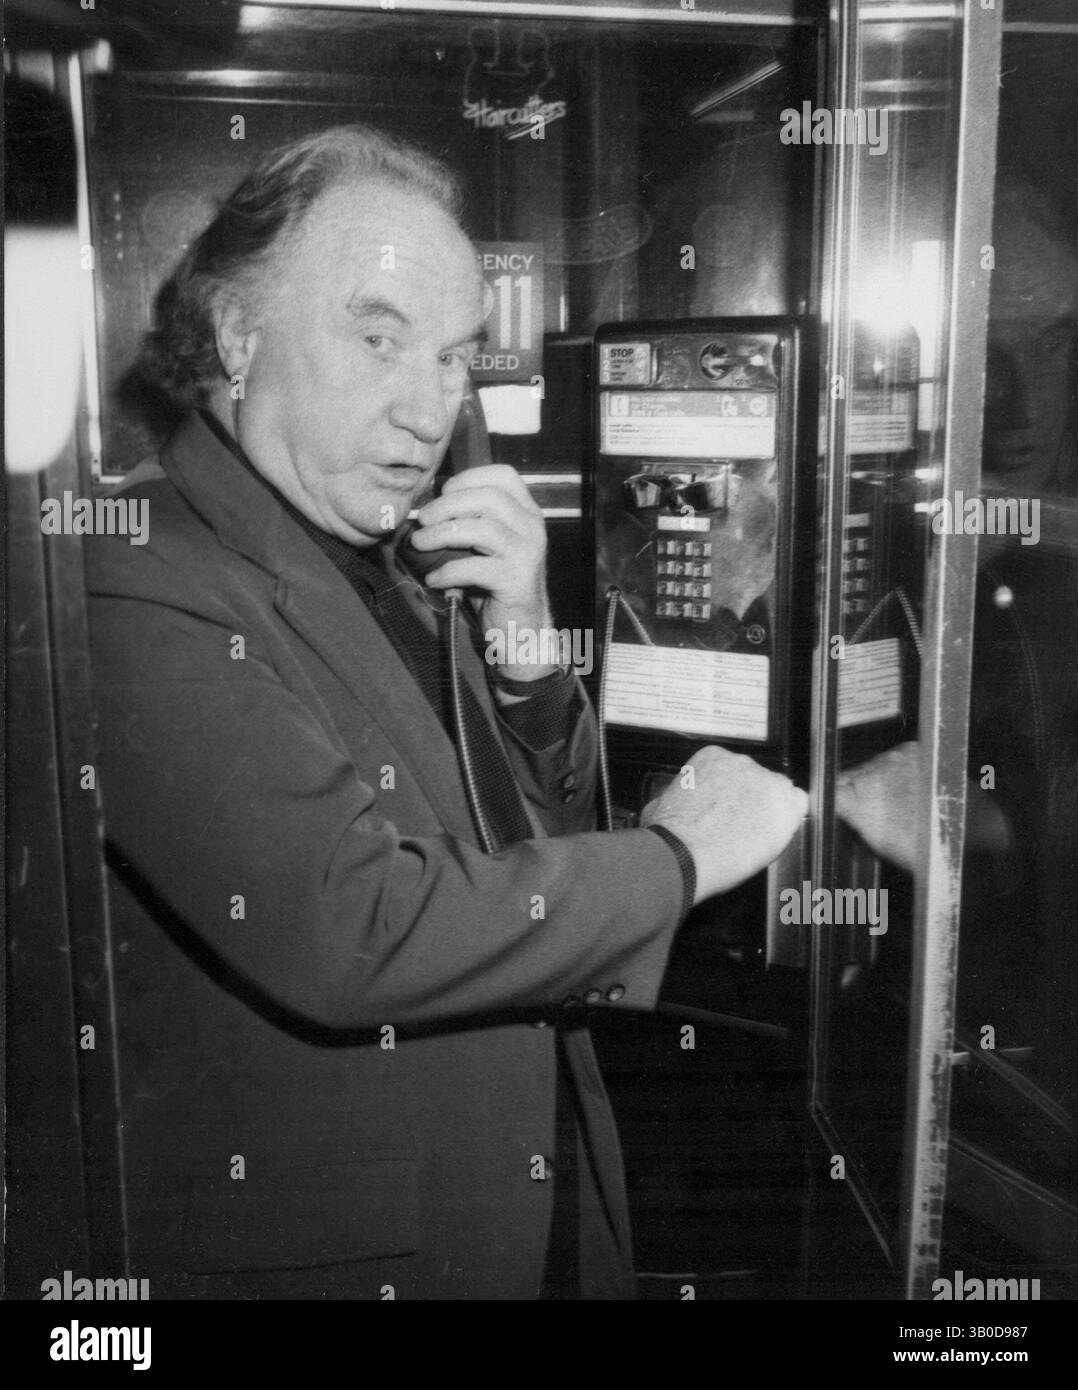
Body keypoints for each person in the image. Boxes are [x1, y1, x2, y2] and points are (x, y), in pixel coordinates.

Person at [86, 124, 806, 1300]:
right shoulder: (134, 573)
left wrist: (524, 651)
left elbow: (535, 859)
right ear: (236, 335)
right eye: (378, 341)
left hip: (525, 1196)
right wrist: (679, 861)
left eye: (453, 356)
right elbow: (350, 922)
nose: (428, 411)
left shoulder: (393, 555)